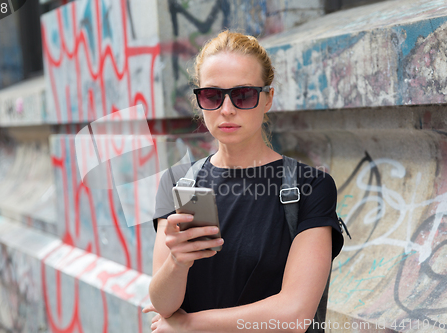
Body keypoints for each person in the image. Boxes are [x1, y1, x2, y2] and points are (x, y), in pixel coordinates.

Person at [143, 30, 344, 333]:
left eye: (244, 95)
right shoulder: (179, 181)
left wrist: (188, 326)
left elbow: (294, 315)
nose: (226, 109)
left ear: (267, 99)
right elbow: (163, 305)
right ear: (199, 100)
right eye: (212, 95)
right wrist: (177, 261)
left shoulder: (310, 186)